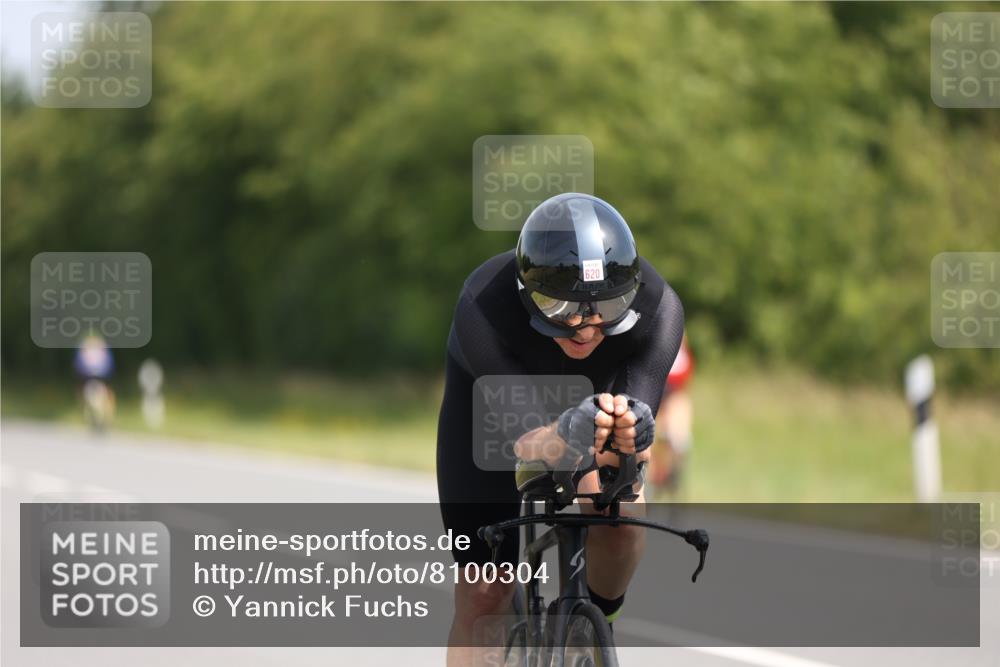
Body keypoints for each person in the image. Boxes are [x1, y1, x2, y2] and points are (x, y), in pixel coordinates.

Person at [437, 193, 684, 665]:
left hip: (592, 404)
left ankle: (593, 625)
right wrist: (569, 431)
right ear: (527, 290)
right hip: (492, 413)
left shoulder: (659, 309)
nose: (584, 327)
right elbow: (531, 442)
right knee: (485, 591)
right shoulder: (484, 304)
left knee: (622, 516)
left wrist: (633, 436)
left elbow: (633, 447)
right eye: (559, 307)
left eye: (606, 309)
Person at [649, 332, 695, 493]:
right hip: (658, 398)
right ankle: (658, 473)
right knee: (655, 435)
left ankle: (673, 467)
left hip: (672, 396)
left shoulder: (681, 356)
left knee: (676, 431)